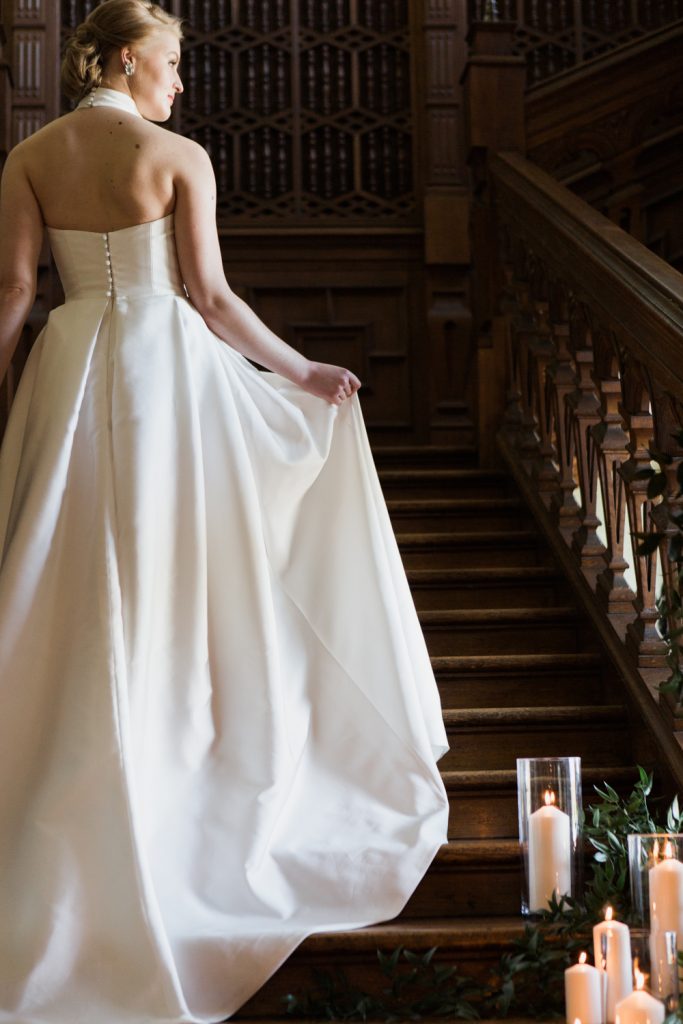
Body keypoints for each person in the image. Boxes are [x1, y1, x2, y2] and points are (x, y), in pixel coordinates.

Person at [0, 2, 449, 1021]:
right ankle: (178, 765)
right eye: (169, 62)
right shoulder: (175, 156)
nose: (179, 82)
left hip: (67, 376)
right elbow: (207, 298)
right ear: (125, 58)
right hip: (162, 384)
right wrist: (300, 370)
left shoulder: (29, 154)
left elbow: (15, 292)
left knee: (64, 584)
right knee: (173, 579)